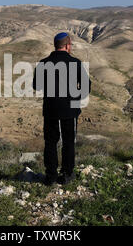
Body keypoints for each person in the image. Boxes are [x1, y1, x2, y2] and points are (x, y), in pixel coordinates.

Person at [32, 32, 91, 185]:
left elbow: (36, 86)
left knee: (50, 142)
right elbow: (86, 88)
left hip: (50, 108)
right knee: (68, 142)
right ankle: (66, 175)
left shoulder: (43, 63)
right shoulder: (75, 63)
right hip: (70, 109)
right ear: (67, 45)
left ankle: (50, 177)